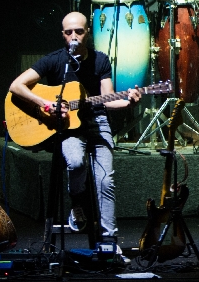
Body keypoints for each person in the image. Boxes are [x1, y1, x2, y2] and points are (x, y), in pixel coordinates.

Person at [8, 12, 142, 239]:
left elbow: (108, 99)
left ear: (87, 33)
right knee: (76, 162)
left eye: (79, 31)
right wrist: (45, 103)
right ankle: (78, 201)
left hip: (97, 121)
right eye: (68, 32)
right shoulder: (54, 60)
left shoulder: (100, 60)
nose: (74, 36)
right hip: (67, 125)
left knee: (106, 181)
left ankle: (109, 240)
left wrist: (129, 102)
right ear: (62, 34)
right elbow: (16, 86)